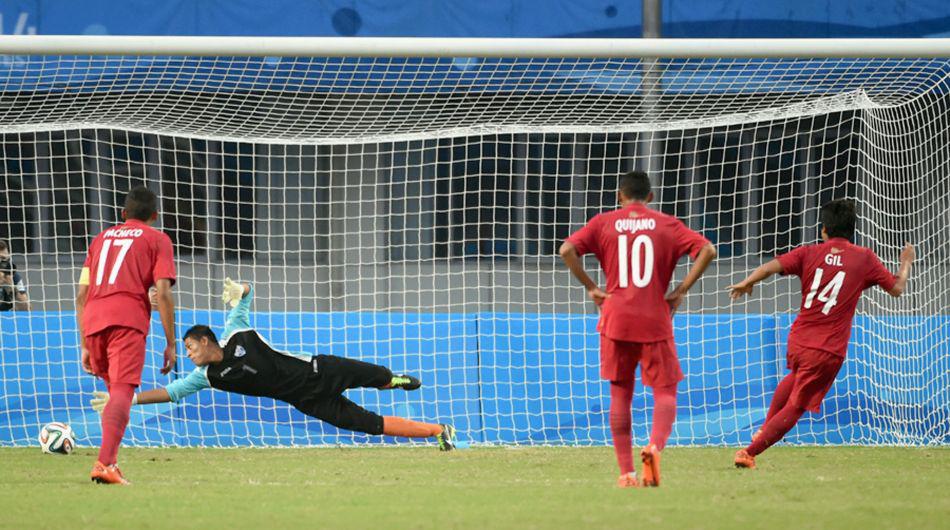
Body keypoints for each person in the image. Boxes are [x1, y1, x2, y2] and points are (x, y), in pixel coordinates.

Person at [92, 279, 457, 452]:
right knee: (369, 425)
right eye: (185, 350)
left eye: (189, 348)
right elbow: (171, 393)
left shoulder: (237, 330)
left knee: (375, 376)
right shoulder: (207, 377)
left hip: (319, 369)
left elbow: (247, 294)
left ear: (206, 341)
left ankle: (394, 380)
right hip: (309, 401)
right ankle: (439, 431)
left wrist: (241, 288)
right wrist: (126, 401)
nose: (187, 355)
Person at [559, 170, 717, 488]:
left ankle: (626, 473)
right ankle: (654, 447)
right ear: (650, 198)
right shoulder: (667, 224)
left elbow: (566, 250)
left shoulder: (604, 222)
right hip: (655, 317)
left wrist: (592, 287)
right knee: (665, 391)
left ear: (620, 196)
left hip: (616, 318)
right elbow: (708, 251)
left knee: (620, 394)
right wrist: (681, 289)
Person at [730, 199, 914, 469]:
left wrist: (748, 281)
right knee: (797, 405)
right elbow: (897, 288)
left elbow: (773, 266)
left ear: (824, 230)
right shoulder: (864, 258)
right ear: (852, 230)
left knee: (794, 379)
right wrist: (905, 263)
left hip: (798, 339)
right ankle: (750, 452)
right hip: (827, 349)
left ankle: (763, 430)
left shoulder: (808, 252)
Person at [76, 186, 177, 485]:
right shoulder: (158, 239)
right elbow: (163, 292)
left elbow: (81, 294)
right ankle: (104, 463)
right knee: (122, 391)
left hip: (94, 320)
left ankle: (111, 463)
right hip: (127, 321)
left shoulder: (99, 240)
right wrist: (170, 344)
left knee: (116, 394)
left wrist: (84, 343)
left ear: (123, 214)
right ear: (155, 215)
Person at [0, 239, 31, 311]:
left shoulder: (11, 275)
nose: (4, 263)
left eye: (5, 259)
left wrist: (11, 288)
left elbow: (26, 309)